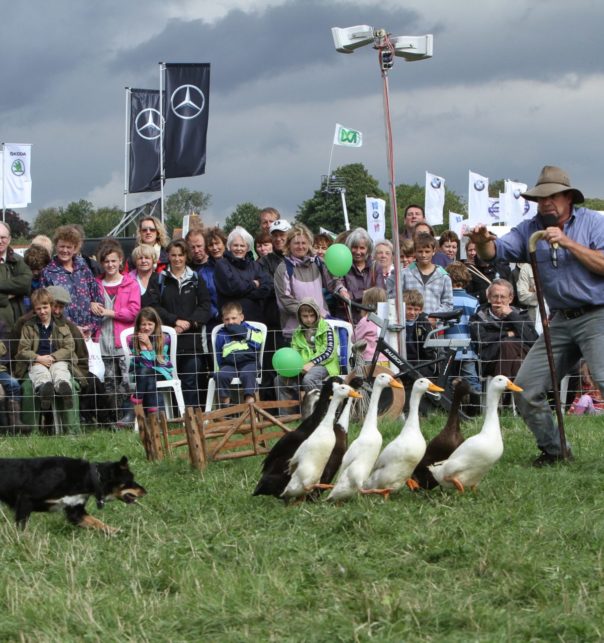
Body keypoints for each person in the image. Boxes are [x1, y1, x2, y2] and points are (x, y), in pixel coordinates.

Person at [467, 165, 604, 465]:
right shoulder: (530, 229)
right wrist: (482, 243)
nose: (544, 203)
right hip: (560, 321)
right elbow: (497, 251)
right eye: (540, 198)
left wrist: (568, 242)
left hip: (597, 315)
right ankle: (555, 451)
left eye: (552, 196)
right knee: (526, 387)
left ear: (569, 198)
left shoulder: (594, 223)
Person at [155, 239, 212, 408]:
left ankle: (192, 418)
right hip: (167, 342)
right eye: (173, 255)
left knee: (190, 382)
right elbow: (154, 306)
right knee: (170, 382)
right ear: (168, 256)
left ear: (186, 256)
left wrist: (188, 323)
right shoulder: (160, 280)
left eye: (181, 255)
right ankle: (174, 419)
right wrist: (174, 321)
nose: (177, 259)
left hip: (192, 342)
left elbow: (205, 306)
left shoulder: (196, 279)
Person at [92, 240, 141, 426]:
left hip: (124, 340)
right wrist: (91, 305)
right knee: (109, 382)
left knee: (128, 380)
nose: (110, 265)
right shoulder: (95, 284)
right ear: (101, 263)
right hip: (102, 340)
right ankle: (114, 418)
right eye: (106, 261)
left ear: (121, 261)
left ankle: (130, 416)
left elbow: (134, 312)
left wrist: (110, 312)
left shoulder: (130, 283)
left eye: (114, 261)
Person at [15, 288, 76, 411]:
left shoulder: (62, 325)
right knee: (40, 372)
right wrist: (38, 358)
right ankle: (44, 389)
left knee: (60, 371)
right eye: (38, 309)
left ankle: (64, 389)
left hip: (57, 360)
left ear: (51, 306)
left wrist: (53, 357)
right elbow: (23, 350)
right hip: (38, 361)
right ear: (34, 310)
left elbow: (70, 347)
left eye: (45, 307)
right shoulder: (29, 326)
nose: (42, 311)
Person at [40, 225, 103, 338]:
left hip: (88, 334)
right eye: (62, 246)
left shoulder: (83, 269)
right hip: (62, 334)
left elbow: (97, 299)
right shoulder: (48, 273)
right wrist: (73, 328)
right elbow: (45, 307)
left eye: (69, 247)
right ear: (56, 247)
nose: (65, 250)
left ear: (75, 248)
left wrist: (91, 327)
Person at [274, 223, 333, 341]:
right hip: (295, 332)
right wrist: (311, 314)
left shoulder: (318, 264)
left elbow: (332, 283)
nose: (300, 246)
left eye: (304, 243)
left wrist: (341, 289)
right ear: (289, 245)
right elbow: (285, 300)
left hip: (321, 328)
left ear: (309, 244)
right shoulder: (284, 268)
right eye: (296, 243)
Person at [274, 298, 339, 407]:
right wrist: (297, 366)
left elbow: (329, 352)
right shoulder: (297, 333)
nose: (309, 319)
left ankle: (322, 408)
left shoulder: (326, 328)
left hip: (324, 365)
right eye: (305, 316)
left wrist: (311, 363)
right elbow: (294, 353)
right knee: (280, 380)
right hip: (302, 367)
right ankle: (289, 416)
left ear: (317, 314)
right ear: (299, 317)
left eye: (312, 315)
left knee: (309, 379)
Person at [470, 279, 537, 380]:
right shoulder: (479, 317)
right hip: (491, 361)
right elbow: (482, 340)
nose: (499, 300)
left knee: (512, 351)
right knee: (511, 350)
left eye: (503, 297)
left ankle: (502, 391)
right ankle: (516, 394)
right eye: (495, 296)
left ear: (510, 299)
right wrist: (508, 333)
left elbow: (532, 340)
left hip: (521, 357)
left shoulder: (521, 315)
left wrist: (512, 315)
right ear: (488, 298)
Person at [214, 226, 273, 322]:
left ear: (248, 247)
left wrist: (242, 294)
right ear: (229, 246)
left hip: (255, 320)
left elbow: (267, 286)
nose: (239, 248)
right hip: (230, 322)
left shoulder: (255, 265)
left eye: (242, 246)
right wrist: (254, 284)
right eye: (235, 245)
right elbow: (232, 287)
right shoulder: (221, 265)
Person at [128, 307, 174, 418]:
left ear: (156, 324)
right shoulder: (133, 341)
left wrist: (149, 346)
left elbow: (155, 363)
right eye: (143, 324)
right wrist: (142, 347)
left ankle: (135, 404)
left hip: (161, 371)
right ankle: (155, 415)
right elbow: (144, 364)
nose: (147, 327)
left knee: (148, 372)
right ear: (138, 326)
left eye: (150, 324)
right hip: (142, 373)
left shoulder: (164, 339)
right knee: (147, 374)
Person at [215, 302, 264, 406]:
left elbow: (258, 343)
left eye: (234, 318)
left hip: (248, 362)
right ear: (223, 320)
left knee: (247, 374)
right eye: (227, 319)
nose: (231, 322)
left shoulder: (250, 329)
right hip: (229, 364)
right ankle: (225, 407)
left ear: (241, 317)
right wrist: (220, 368)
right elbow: (218, 355)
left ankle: (249, 404)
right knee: (221, 375)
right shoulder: (221, 334)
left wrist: (241, 332)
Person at [444, 262, 480, 393]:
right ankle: (477, 404)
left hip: (447, 347)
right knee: (471, 378)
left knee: (447, 379)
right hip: (468, 348)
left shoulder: (445, 300)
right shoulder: (473, 301)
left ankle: (446, 405)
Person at [336, 227, 385, 323]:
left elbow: (380, 294)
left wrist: (353, 295)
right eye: (355, 247)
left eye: (362, 248)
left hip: (371, 320)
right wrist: (366, 293)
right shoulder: (342, 265)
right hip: (347, 320)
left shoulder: (375, 267)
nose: (358, 252)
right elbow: (340, 297)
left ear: (368, 249)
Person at [396, 232, 453, 314]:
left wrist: (434, 317)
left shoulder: (443, 276)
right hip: (410, 324)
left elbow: (448, 304)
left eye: (427, 251)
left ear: (433, 251)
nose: (423, 255)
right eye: (420, 251)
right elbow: (397, 300)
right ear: (415, 252)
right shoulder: (405, 274)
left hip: (435, 325)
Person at [0, 222, 33, 333]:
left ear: (9, 239)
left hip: (15, 325)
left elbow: (26, 284)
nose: (0, 241)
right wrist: (8, 295)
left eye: (3, 237)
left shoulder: (18, 260)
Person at [355, 287, 388, 366]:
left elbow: (355, 338)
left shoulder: (366, 320)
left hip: (369, 360)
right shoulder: (387, 319)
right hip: (386, 359)